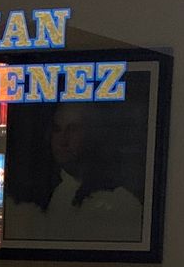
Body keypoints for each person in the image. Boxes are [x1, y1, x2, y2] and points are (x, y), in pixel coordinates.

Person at [8, 101, 146, 244]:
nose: (62, 140)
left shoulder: (120, 201)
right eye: (57, 129)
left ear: (92, 134)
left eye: (73, 129)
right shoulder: (57, 194)